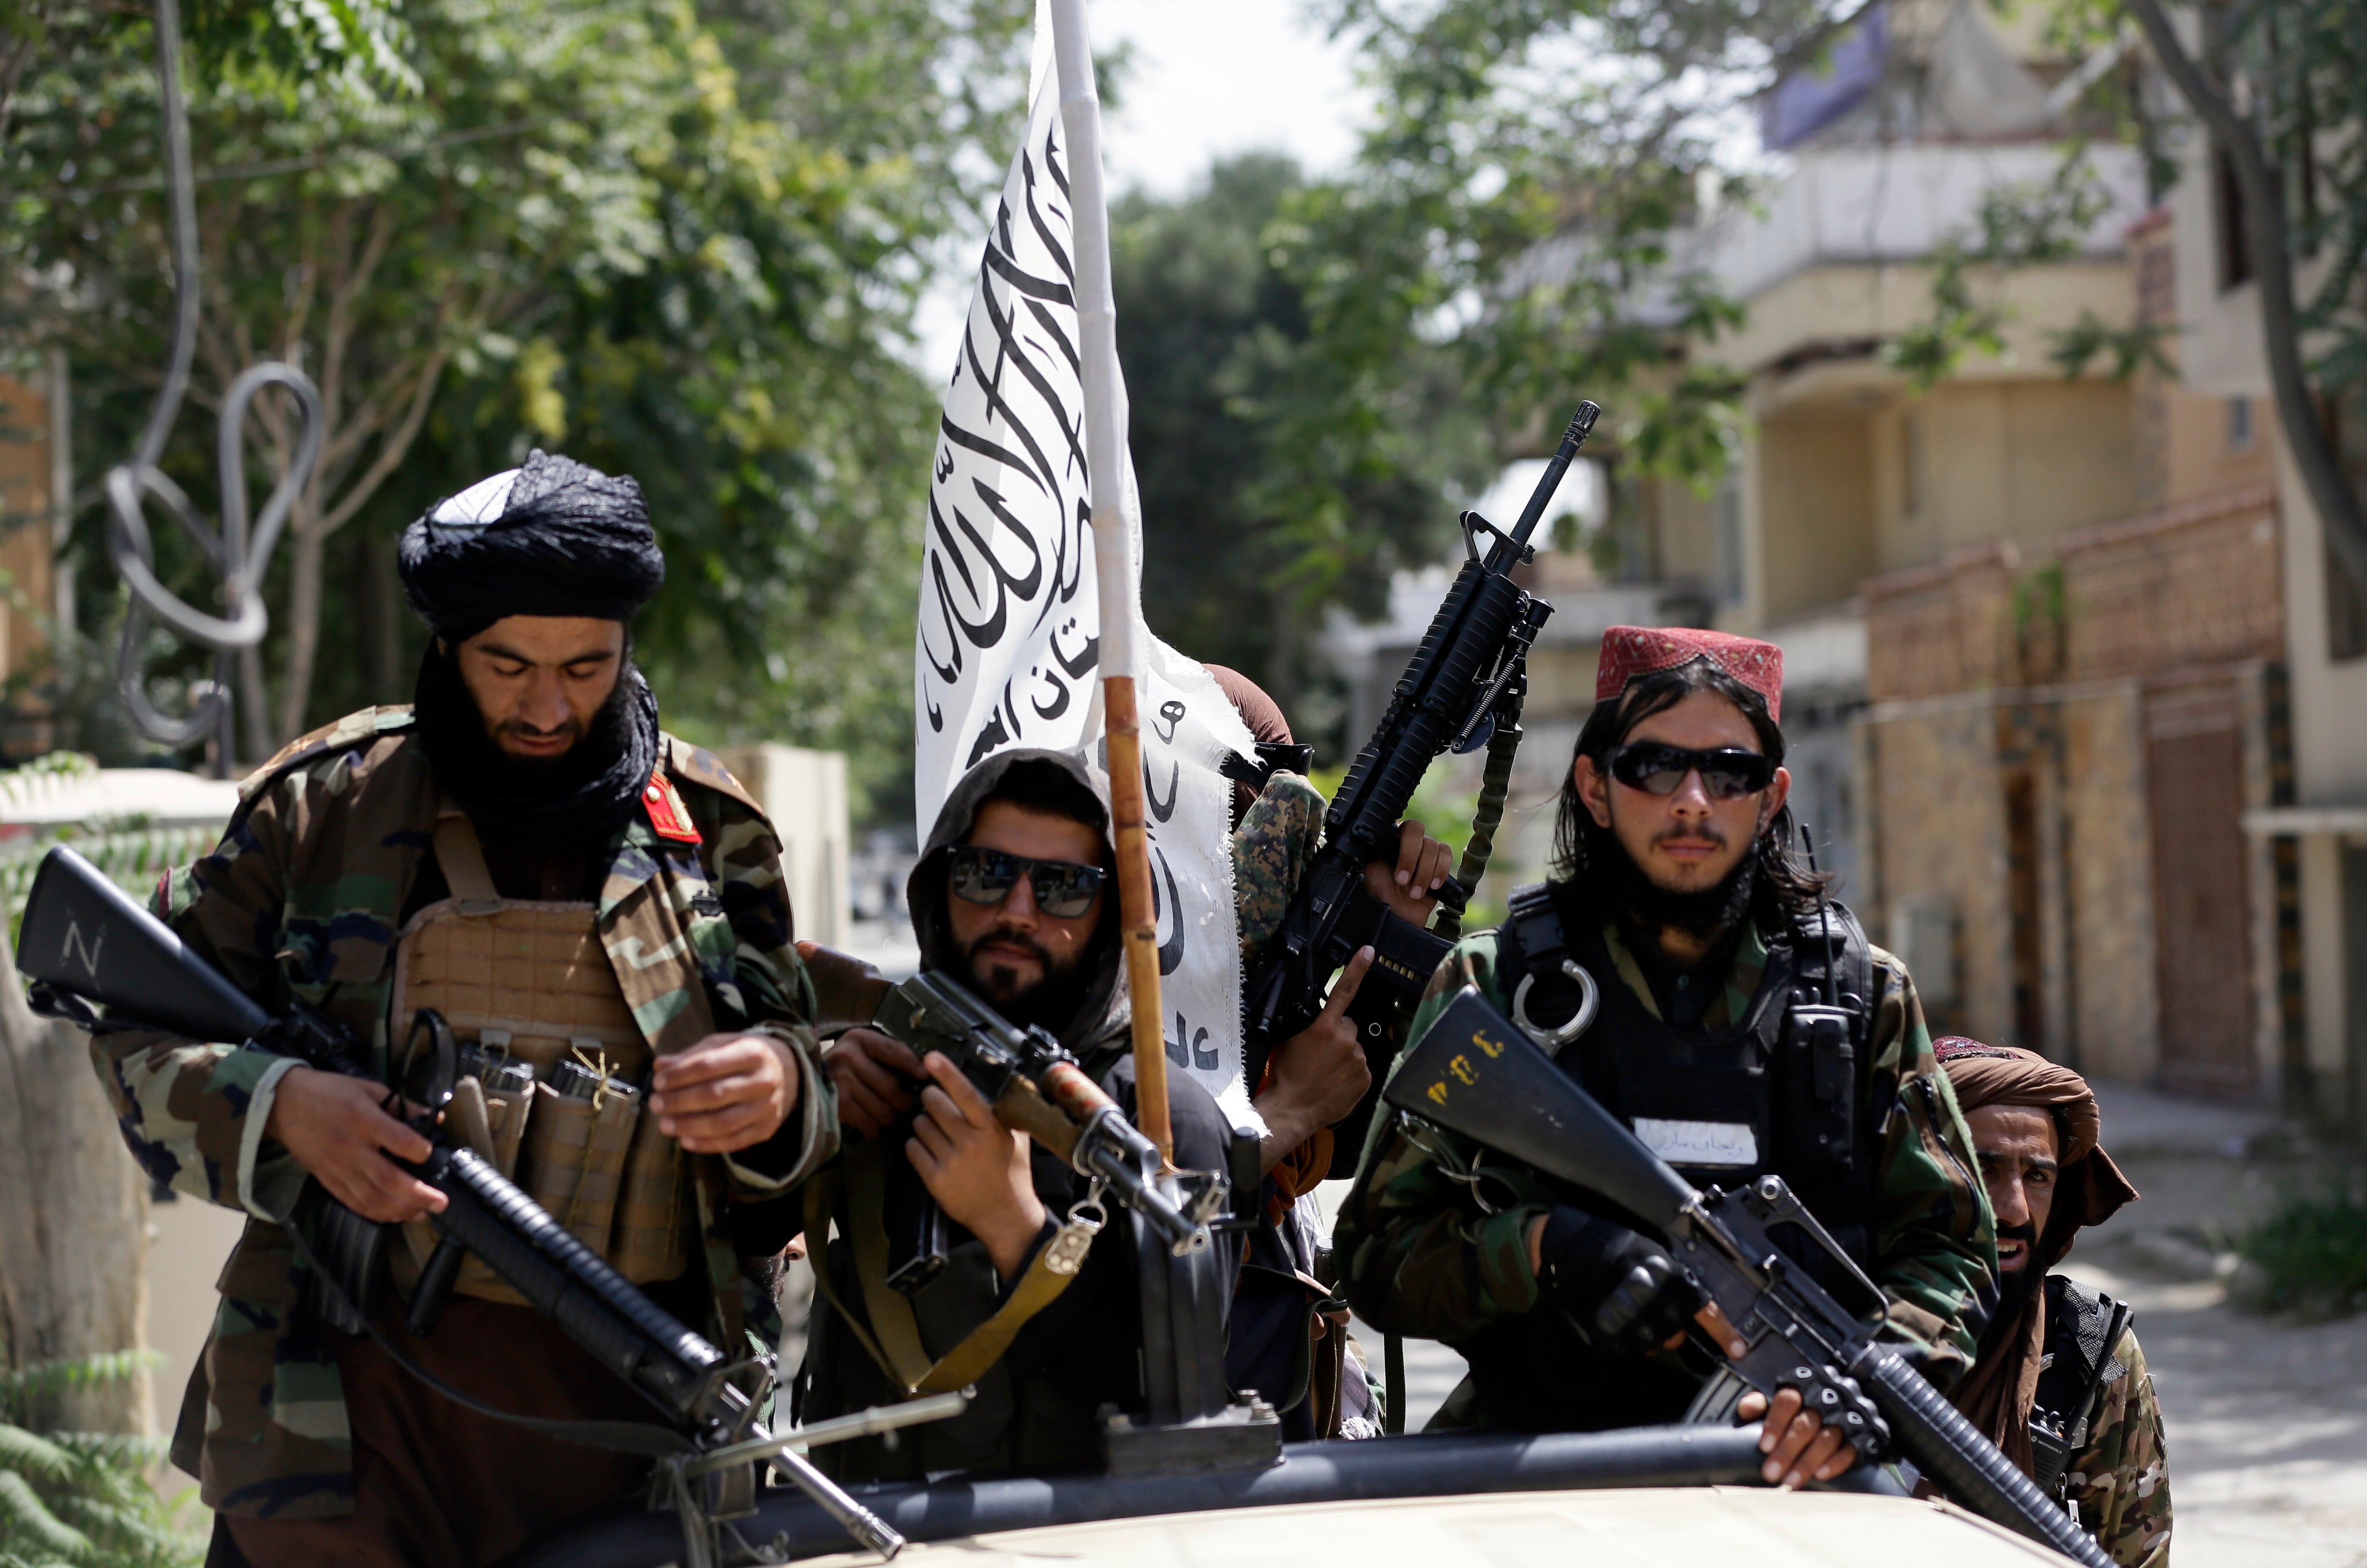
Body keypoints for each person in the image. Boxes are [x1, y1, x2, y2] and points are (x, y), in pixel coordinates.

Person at [90, 452, 836, 1568]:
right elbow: (136, 1030)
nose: (548, 704)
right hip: (340, 1435)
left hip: (633, 1442)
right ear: (448, 645)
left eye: (588, 665)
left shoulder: (711, 831)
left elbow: (806, 1099)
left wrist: (779, 1091)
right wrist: (281, 1104)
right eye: (508, 664)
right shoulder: (321, 806)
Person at [1337, 625, 1996, 1489]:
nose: (1693, 800)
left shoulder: (1861, 999)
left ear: (1769, 797)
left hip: (1789, 1480)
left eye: (1730, 772)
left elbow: (1951, 1253)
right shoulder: (1497, 989)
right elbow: (1374, 1259)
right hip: (1545, 1481)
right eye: (1653, 767)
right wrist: (1545, 1247)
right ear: (1595, 786)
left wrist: (1851, 1396)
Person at [807, 748, 1238, 1478]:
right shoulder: (874, 1071)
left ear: (1112, 918)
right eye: (986, 872)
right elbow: (728, 1239)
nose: (1017, 911)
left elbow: (1174, 1409)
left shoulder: (1159, 1121)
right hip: (859, 1528)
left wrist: (1017, 1227)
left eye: (1065, 888)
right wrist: (804, 1099)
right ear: (940, 887)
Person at [1936, 1037, 2171, 1567]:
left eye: (2037, 1176)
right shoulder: (1833, 1331)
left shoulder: (2091, 1351)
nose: (2014, 1209)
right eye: (1983, 1170)